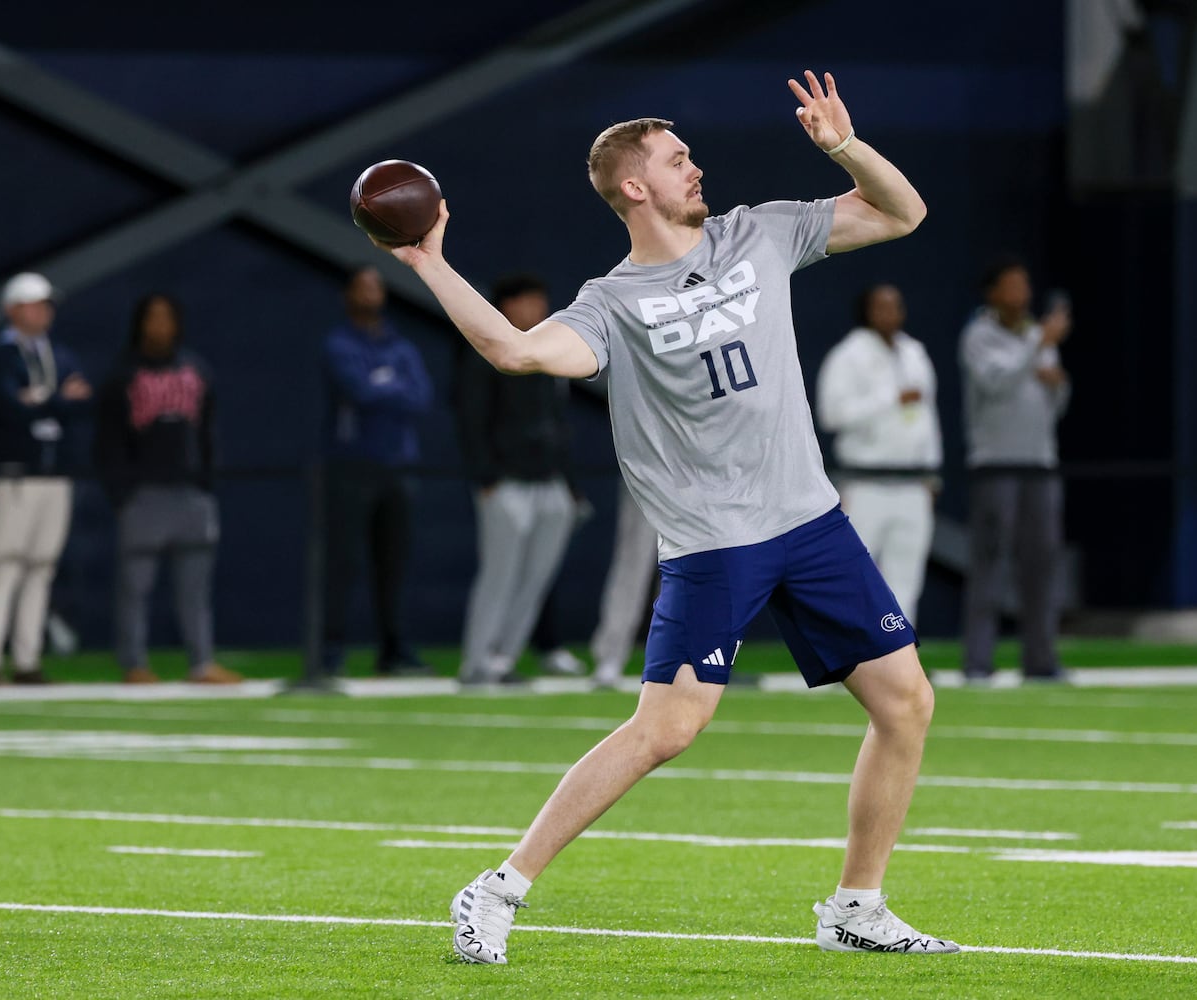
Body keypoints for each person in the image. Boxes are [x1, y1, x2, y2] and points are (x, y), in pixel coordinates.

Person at [372, 70, 955, 963]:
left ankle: (856, 905)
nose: (696, 169)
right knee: (669, 728)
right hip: (716, 542)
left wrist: (842, 146)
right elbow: (515, 351)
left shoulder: (757, 232)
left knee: (906, 701)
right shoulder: (612, 303)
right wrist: (431, 263)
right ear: (633, 186)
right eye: (677, 160)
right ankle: (499, 886)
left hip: (810, 521)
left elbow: (904, 213)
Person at [94, 294, 239, 685]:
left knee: (196, 588)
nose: (159, 326)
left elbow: (209, 432)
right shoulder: (121, 375)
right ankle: (134, 663)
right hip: (143, 495)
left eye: (166, 318)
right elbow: (107, 442)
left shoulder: (196, 368)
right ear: (140, 323)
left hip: (191, 492)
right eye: (152, 318)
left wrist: (208, 483)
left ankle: (201, 662)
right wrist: (122, 495)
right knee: (134, 586)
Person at [456, 275, 582, 684]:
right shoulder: (483, 352)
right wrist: (486, 477)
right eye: (526, 302)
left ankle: (503, 659)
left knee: (536, 578)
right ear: (506, 306)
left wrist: (569, 483)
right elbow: (471, 419)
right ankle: (477, 662)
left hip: (550, 482)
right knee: (500, 575)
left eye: (539, 301)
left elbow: (559, 422)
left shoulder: (548, 352)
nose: (535, 310)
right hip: (506, 482)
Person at [0, 272, 92, 685]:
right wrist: (55, 401)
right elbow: (9, 409)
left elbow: (80, 404)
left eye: (46, 304)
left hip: (54, 472)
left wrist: (41, 401)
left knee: (42, 567)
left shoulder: (60, 354)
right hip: (16, 475)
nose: (43, 311)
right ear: (12, 309)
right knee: (5, 564)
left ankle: (27, 661)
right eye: (33, 304)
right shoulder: (0, 358)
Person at [958, 256, 1071, 683]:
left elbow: (1054, 404)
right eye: (1011, 286)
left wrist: (1059, 384)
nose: (1020, 294)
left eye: (1024, 285)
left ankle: (1041, 660)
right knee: (990, 563)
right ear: (992, 293)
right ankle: (978, 662)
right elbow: (997, 384)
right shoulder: (979, 335)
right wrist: (1039, 345)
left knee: (1043, 564)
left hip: (1040, 463)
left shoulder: (1036, 336)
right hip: (995, 464)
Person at [318, 266, 434, 678]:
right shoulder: (338, 343)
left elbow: (421, 396)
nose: (370, 293)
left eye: (376, 287)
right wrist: (388, 386)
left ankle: (393, 649)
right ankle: (329, 650)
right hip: (352, 465)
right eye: (363, 286)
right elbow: (359, 391)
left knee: (394, 564)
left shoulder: (400, 345)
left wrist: (382, 384)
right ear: (348, 293)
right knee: (342, 563)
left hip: (398, 466)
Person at [816, 283, 941, 624]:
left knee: (906, 577)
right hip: (866, 480)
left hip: (912, 481)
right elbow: (831, 414)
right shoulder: (848, 356)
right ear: (866, 312)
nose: (890, 314)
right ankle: (849, 661)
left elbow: (928, 416)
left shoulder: (914, 352)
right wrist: (889, 399)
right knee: (853, 574)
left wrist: (931, 473)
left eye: (895, 306)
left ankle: (903, 663)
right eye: (881, 307)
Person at [589, 477, 659, 687]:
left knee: (693, 569)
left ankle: (691, 661)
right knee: (633, 565)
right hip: (651, 477)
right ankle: (610, 656)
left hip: (699, 480)